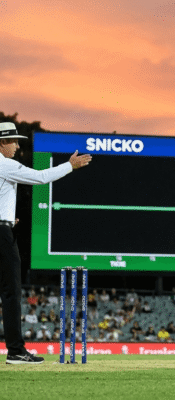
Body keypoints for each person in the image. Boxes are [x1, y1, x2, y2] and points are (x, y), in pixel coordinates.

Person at [0, 122, 91, 364]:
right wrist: (69, 166)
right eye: (14, 141)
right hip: (2, 235)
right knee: (11, 292)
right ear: (2, 143)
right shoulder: (4, 164)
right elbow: (40, 177)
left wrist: (7, 215)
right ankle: (16, 351)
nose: (18, 146)